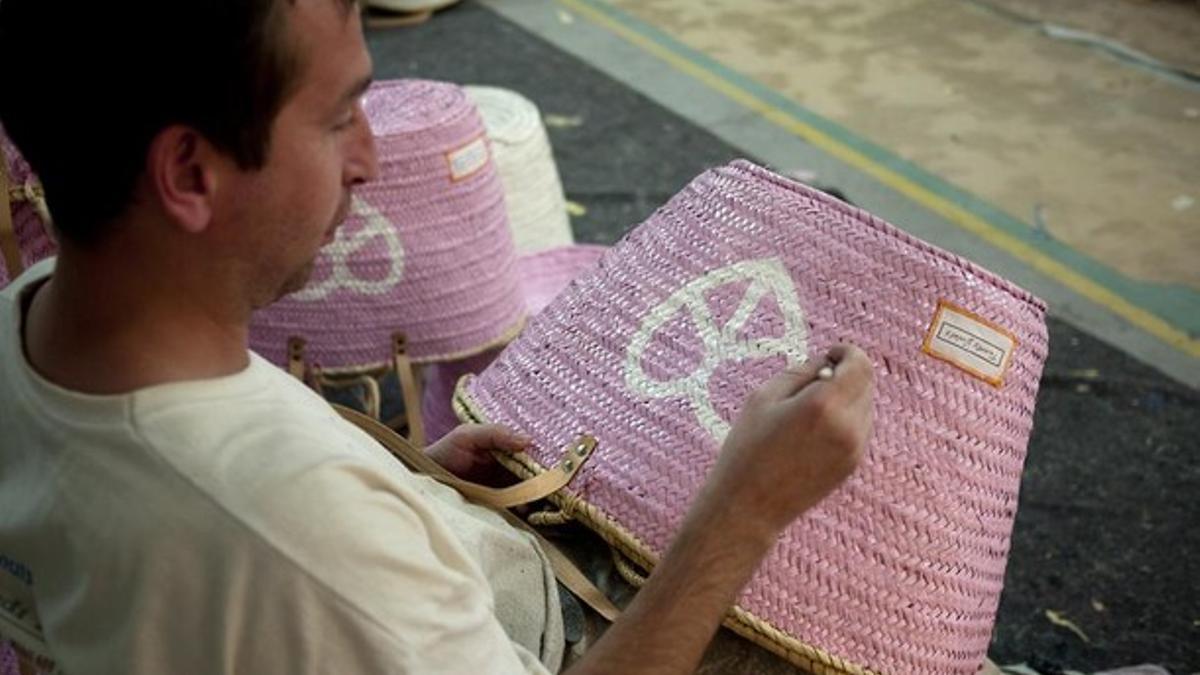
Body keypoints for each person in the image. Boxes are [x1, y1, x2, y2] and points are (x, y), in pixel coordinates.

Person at [0, 1, 875, 673]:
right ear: (191, 173)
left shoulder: (44, 311)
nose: (369, 158)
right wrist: (747, 511)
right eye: (341, 116)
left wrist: (407, 485)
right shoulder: (299, 531)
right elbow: (282, 530)